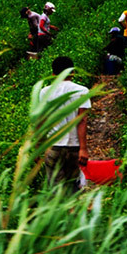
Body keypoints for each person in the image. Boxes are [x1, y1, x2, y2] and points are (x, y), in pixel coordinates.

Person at [39, 56, 91, 191]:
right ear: (72, 72)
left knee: (55, 189)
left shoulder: (44, 92)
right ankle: (73, 210)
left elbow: (41, 121)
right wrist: (83, 149)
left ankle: (57, 211)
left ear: (53, 74)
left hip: (53, 146)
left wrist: (39, 146)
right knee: (73, 187)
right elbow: (82, 120)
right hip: (73, 147)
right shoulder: (82, 91)